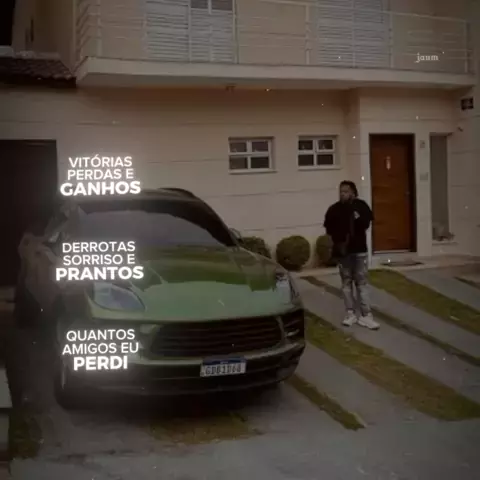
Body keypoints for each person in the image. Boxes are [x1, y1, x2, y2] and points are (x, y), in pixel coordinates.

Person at [323, 181, 379, 330]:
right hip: (344, 253)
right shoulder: (334, 209)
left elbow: (366, 224)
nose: (343, 194)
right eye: (341, 191)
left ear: (353, 193)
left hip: (359, 251)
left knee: (361, 283)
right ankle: (350, 313)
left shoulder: (361, 206)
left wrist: (357, 217)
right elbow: (328, 229)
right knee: (346, 283)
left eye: (346, 191)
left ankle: (366, 315)